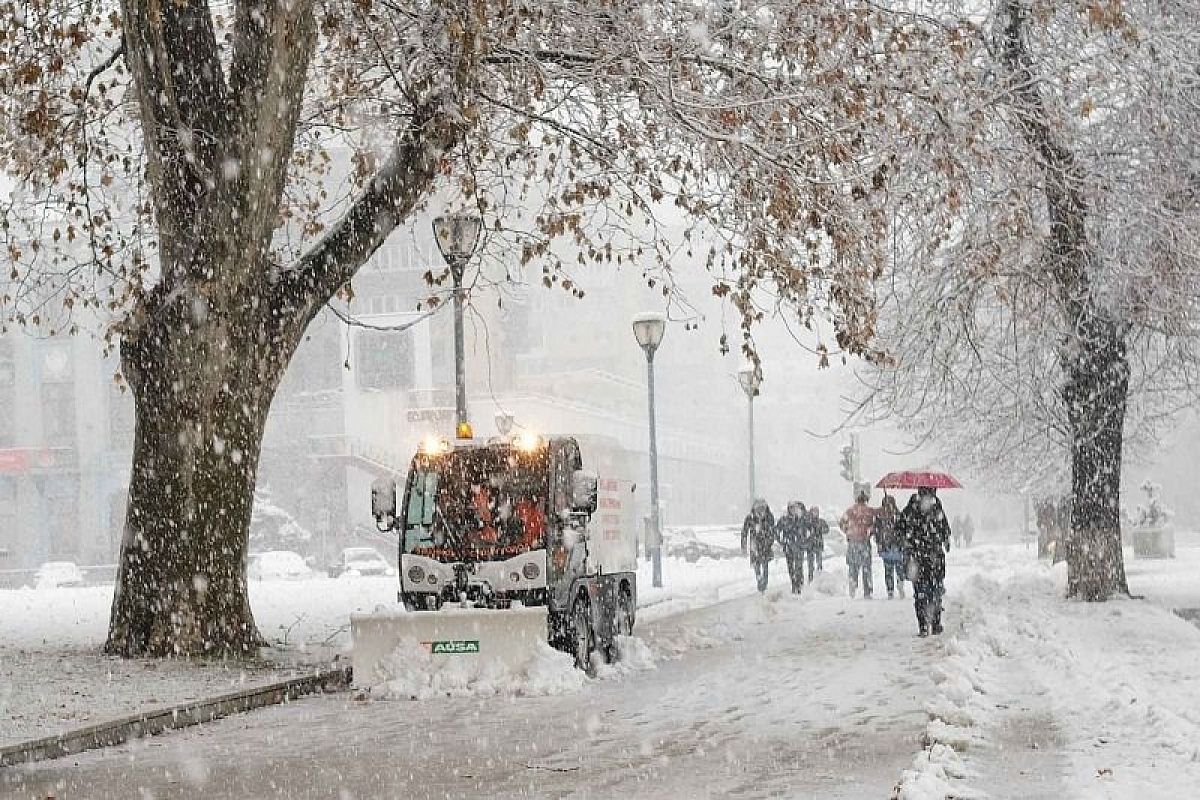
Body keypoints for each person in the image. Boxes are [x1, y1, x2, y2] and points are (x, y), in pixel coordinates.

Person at [896, 487, 953, 637]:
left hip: (916, 559)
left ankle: (923, 626)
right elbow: (945, 530)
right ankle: (935, 623)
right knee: (935, 591)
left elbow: (899, 530)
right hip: (934, 558)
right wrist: (944, 540)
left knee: (920, 592)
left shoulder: (910, 509)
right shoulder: (936, 508)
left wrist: (907, 541)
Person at [840, 488, 876, 598]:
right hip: (864, 542)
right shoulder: (869, 511)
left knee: (853, 567)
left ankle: (852, 586)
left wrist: (848, 531)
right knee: (866, 568)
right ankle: (867, 591)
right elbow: (873, 526)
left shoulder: (850, 511)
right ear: (866, 500)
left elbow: (842, 523)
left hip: (853, 543)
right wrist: (869, 533)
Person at [874, 494, 906, 599]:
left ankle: (890, 590)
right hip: (898, 547)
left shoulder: (880, 517)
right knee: (899, 568)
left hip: (886, 547)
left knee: (888, 570)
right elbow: (904, 531)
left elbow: (876, 532)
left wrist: (879, 543)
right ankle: (900, 584)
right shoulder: (899, 515)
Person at [741, 499, 776, 593]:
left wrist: (770, 541)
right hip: (754, 546)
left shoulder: (769, 517)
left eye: (762, 507)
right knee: (756, 565)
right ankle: (759, 579)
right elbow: (744, 532)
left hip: (766, 545)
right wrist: (743, 545)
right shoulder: (750, 518)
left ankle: (764, 583)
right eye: (758, 508)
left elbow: (773, 531)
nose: (760, 510)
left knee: (765, 565)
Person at [775, 501, 808, 594]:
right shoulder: (784, 519)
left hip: (799, 546)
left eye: (795, 508)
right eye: (791, 508)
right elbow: (776, 531)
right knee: (791, 568)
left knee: (799, 566)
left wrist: (804, 541)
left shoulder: (801, 519)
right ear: (788, 509)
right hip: (788, 547)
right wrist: (782, 541)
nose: (793, 510)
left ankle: (799, 584)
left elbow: (808, 529)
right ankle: (794, 584)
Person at [805, 506, 828, 581]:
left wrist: (820, 529)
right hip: (810, 546)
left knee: (819, 564)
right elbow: (804, 531)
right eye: (813, 512)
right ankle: (811, 579)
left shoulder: (821, 521)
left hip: (818, 545)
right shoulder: (807, 522)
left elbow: (827, 530)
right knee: (810, 566)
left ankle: (819, 579)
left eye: (816, 512)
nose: (815, 513)